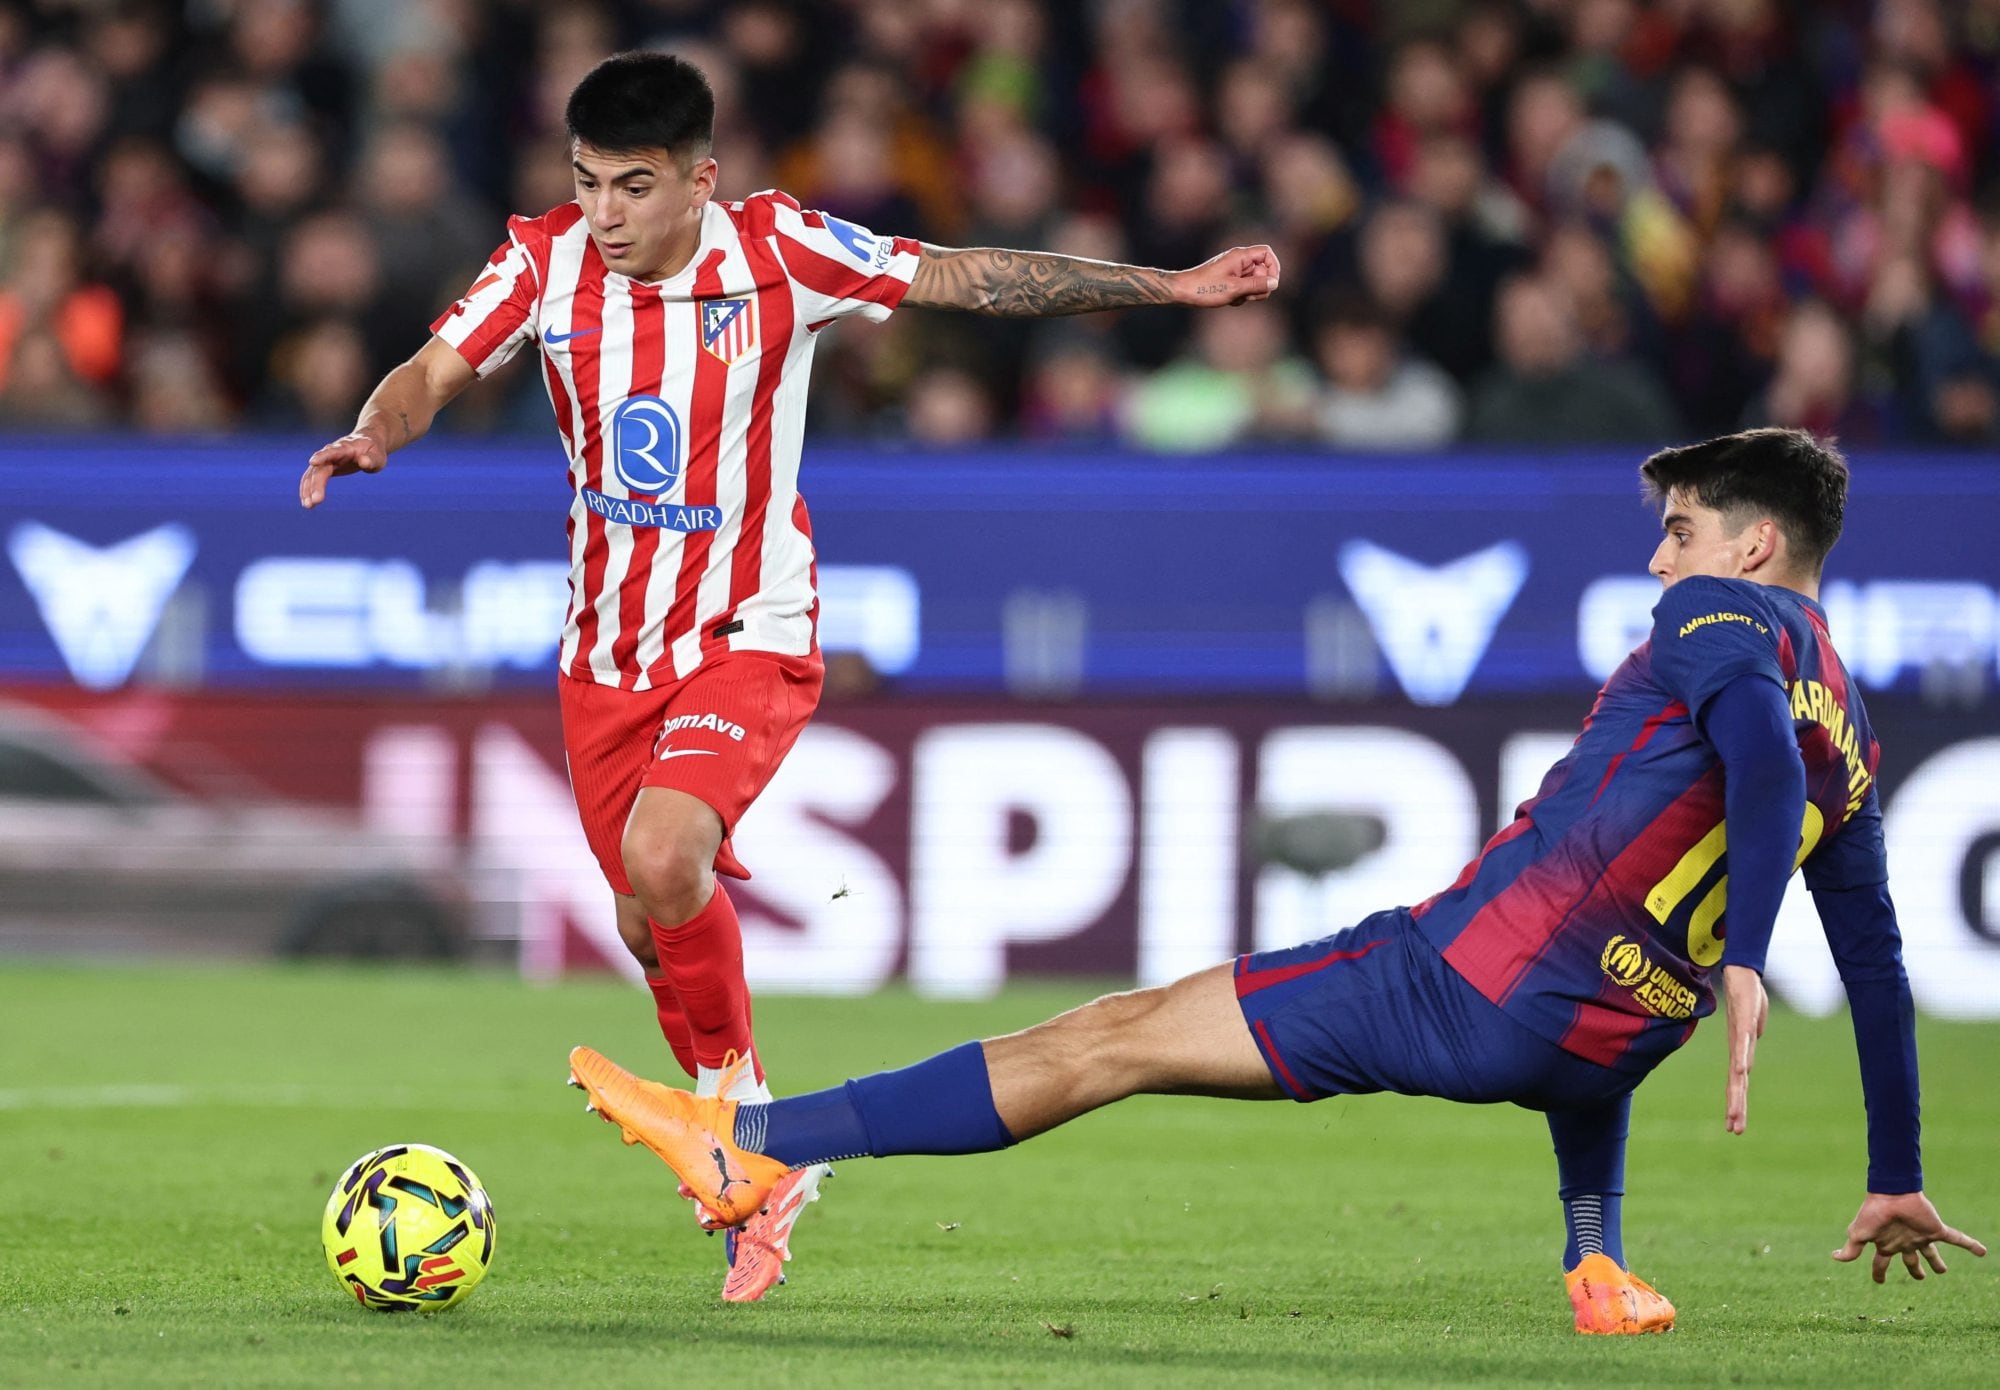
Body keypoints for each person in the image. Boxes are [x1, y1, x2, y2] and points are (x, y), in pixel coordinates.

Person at [566, 428, 1986, 1331]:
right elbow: (1876, 958)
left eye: (1679, 529)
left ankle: (757, 1140)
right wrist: (1895, 1171)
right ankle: (1596, 1263)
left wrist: (1743, 948)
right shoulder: (1854, 728)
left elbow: (1757, 758)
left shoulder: (1721, 613)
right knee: (1585, 991)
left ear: (1751, 545)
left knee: (1109, 1036)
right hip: (1602, 1036)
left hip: (1458, 986)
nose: (1658, 557)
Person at [298, 51, 1281, 1303]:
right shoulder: (542, 264)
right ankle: (761, 1152)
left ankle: (738, 1125)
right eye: (588, 182)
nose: (604, 213)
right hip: (604, 656)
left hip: (747, 630)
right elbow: (431, 371)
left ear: (699, 179)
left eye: (633, 186)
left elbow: (966, 275)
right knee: (645, 920)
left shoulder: (780, 250)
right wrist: (375, 430)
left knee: (666, 856)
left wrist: (1168, 286)